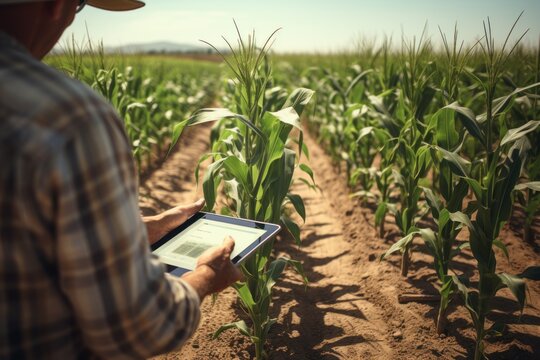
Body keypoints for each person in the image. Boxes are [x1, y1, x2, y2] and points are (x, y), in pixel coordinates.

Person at [0, 0, 243, 358]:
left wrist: (146, 228)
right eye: (80, 5)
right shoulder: (69, 117)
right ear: (56, 5)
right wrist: (206, 275)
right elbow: (135, 328)